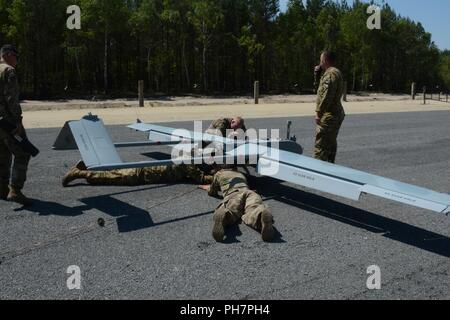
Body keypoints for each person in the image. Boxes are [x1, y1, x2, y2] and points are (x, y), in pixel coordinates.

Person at [199, 168, 275, 243]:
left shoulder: (219, 174)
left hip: (234, 194)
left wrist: (208, 188)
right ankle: (260, 214)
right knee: (253, 209)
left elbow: (212, 192)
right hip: (250, 192)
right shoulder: (240, 174)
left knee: (232, 212)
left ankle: (224, 216)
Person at [0, 44, 33, 206]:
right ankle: (15, 190)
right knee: (23, 152)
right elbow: (11, 98)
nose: (16, 61)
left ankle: (1, 188)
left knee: (3, 153)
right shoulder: (8, 71)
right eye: (16, 56)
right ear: (8, 54)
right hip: (8, 122)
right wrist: (18, 121)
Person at [62, 161, 215, 187]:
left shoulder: (191, 156)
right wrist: (217, 176)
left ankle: (88, 168)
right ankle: (80, 173)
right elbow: (200, 178)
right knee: (111, 177)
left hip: (145, 171)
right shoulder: (190, 163)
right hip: (142, 175)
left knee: (113, 172)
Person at [314, 51, 346, 164]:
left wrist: (319, 113)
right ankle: (330, 169)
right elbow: (321, 91)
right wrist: (317, 76)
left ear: (325, 60)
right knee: (330, 143)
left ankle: (318, 173)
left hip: (329, 114)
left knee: (321, 146)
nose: (320, 63)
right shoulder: (336, 72)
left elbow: (327, 96)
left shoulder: (330, 74)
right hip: (336, 113)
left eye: (321, 60)